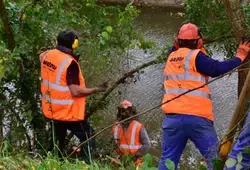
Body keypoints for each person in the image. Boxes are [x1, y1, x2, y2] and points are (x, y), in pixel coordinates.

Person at [158, 23, 250, 169]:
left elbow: (180, 50)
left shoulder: (171, 56)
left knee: (167, 161)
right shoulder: (197, 57)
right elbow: (217, 68)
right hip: (197, 119)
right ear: (199, 42)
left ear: (177, 41)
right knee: (214, 160)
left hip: (172, 120)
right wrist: (239, 57)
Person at [39, 29, 108, 163]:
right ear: (74, 44)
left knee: (57, 140)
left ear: (57, 41)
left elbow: (43, 58)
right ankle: (86, 165)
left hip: (50, 108)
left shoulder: (46, 55)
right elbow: (75, 91)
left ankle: (52, 162)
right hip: (66, 112)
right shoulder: (70, 64)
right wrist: (97, 89)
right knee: (88, 135)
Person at [112, 100, 151, 167]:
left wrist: (136, 156)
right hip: (121, 159)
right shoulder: (116, 127)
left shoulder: (138, 126)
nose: (124, 113)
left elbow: (147, 145)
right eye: (123, 111)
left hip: (136, 161)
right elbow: (115, 145)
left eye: (126, 111)